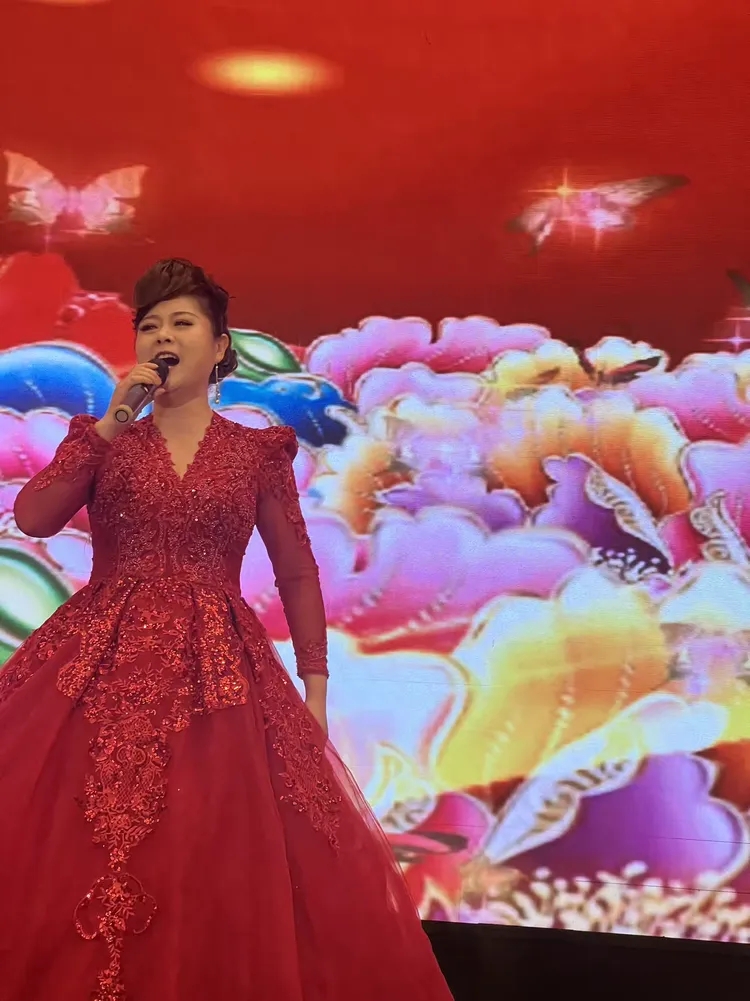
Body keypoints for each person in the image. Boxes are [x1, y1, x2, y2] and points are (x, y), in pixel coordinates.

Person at [0, 259, 454, 1001]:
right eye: (150, 325)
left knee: (210, 848)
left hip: (219, 675)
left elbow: (297, 572)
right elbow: (34, 517)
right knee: (74, 843)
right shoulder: (105, 439)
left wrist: (315, 688)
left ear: (218, 348)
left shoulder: (254, 453)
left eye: (182, 323)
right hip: (98, 662)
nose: (163, 337)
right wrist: (110, 424)